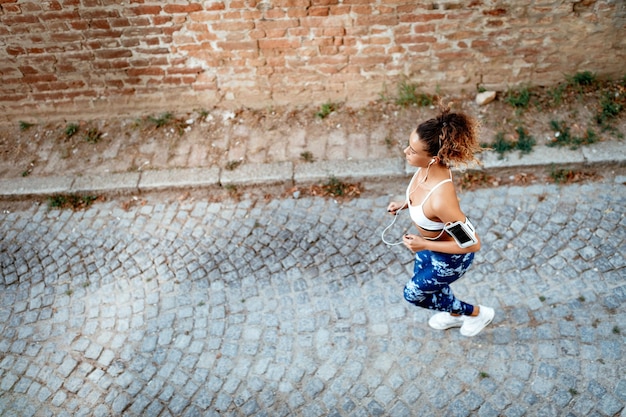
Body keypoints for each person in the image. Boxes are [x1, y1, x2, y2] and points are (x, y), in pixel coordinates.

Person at [386, 104, 494, 337]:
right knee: (431, 287)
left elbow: (472, 244)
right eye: (409, 145)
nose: (406, 151)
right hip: (429, 248)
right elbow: (420, 199)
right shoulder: (424, 169)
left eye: (413, 151)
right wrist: (405, 204)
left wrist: (424, 244)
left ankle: (477, 313)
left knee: (413, 294)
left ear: (433, 158)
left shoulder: (442, 199)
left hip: (451, 258)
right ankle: (454, 314)